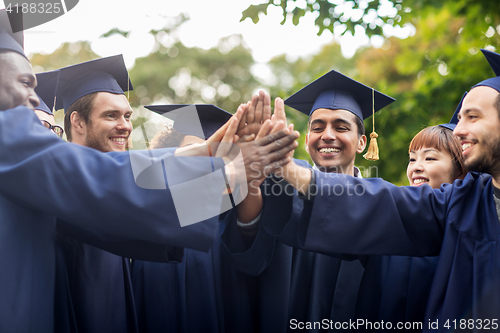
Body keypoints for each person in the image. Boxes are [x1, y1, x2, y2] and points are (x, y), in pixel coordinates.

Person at [0, 12, 299, 332]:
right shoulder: (13, 144)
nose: (34, 97)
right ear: (77, 122)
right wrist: (225, 172)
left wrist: (207, 155)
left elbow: (126, 207)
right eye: (23, 82)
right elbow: (103, 177)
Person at [260, 49, 500, 331]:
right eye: (460, 118)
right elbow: (387, 203)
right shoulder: (461, 203)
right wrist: (288, 170)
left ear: (362, 141)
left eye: (472, 117)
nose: (458, 130)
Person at [221, 71, 395, 332]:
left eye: (341, 127)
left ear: (361, 143)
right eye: (317, 127)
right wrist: (252, 183)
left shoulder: (384, 201)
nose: (327, 135)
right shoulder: (281, 188)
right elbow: (248, 257)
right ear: (306, 140)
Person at [133, 104, 260, 333]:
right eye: (198, 151)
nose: (208, 162)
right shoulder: (148, 225)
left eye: (218, 153)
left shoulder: (234, 228)